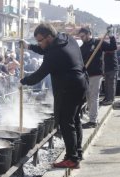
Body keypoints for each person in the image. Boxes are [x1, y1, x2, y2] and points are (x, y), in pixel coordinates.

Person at [20, 23, 88, 169]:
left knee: (66, 122)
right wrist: (30, 46)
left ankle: (72, 159)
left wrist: (23, 81)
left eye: (40, 40)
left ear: (49, 37)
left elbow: (39, 74)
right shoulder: (67, 38)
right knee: (74, 120)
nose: (39, 43)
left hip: (68, 88)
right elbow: (46, 49)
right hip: (81, 83)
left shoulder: (54, 53)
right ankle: (78, 153)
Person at [78, 26, 117, 128]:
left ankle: (93, 121)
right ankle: (93, 117)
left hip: (96, 74)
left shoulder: (98, 43)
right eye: (80, 36)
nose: (81, 38)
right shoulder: (82, 48)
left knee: (94, 96)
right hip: (86, 75)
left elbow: (113, 47)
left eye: (82, 36)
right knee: (89, 98)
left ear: (88, 34)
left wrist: (111, 36)